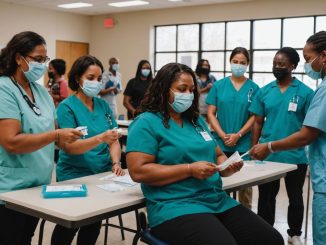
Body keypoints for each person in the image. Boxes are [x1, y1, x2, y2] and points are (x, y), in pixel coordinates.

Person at [126, 62, 283, 245]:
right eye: (181, 89)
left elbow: (217, 154)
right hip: (174, 205)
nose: (188, 95)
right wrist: (189, 169)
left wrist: (227, 166)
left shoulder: (196, 121)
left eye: (191, 90)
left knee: (271, 240)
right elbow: (138, 171)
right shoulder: (146, 122)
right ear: (162, 89)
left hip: (215, 200)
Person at [0, 31, 81, 245]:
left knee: (26, 238)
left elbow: (55, 136)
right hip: (10, 188)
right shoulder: (3, 88)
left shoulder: (42, 92)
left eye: (45, 60)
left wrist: (74, 136)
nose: (43, 65)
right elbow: (11, 141)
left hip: (38, 185)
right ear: (19, 58)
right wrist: (56, 135)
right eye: (38, 59)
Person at [250, 31, 326, 245]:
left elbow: (309, 132)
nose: (277, 67)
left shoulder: (309, 92)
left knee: (295, 198)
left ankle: (294, 233)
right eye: (275, 63)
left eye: (308, 58)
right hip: (269, 155)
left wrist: (270, 146)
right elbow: (257, 121)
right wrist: (256, 147)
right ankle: (266, 233)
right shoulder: (265, 91)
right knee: (266, 198)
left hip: (294, 154)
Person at [51, 55, 125, 245]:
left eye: (99, 79)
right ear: (77, 78)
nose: (96, 83)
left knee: (93, 223)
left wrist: (116, 162)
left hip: (100, 174)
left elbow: (114, 140)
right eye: (90, 78)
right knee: (70, 224)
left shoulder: (103, 105)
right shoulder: (67, 107)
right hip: (73, 174)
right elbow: (70, 147)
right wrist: (100, 138)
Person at [206, 47, 259, 209]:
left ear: (248, 64)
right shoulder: (219, 85)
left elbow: (255, 116)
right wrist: (222, 136)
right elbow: (211, 113)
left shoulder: (254, 88)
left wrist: (239, 134)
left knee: (245, 188)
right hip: (220, 143)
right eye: (235, 62)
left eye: (242, 62)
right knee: (219, 182)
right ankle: (221, 215)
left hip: (243, 143)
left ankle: (246, 219)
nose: (238, 65)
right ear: (230, 62)